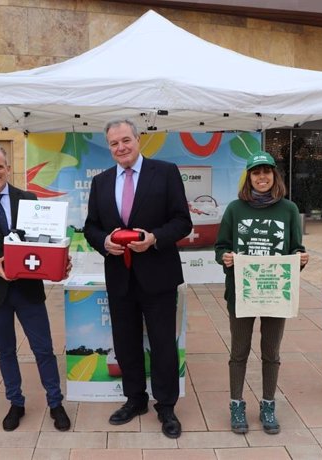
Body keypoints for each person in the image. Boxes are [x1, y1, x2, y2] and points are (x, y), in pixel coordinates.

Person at [83, 119, 192, 439]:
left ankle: (166, 406)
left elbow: (182, 222)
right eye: (114, 143)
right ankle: (135, 399)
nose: (121, 147)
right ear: (109, 147)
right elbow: (91, 227)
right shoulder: (101, 182)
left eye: (126, 140)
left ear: (138, 139)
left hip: (158, 276)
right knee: (126, 343)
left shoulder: (166, 172)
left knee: (162, 345)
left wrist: (154, 237)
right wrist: (104, 241)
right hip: (120, 277)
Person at [0, 144, 71, 432]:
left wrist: (59, 262)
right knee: (5, 351)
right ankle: (16, 402)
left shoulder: (29, 200)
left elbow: (43, 241)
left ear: (8, 168)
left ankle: (55, 403)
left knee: (43, 349)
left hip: (28, 290)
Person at [214, 152, 309, 435]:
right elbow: (220, 247)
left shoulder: (289, 209)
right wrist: (226, 258)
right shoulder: (234, 209)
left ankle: (268, 403)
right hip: (242, 292)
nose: (262, 177)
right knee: (239, 351)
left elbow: (295, 247)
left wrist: (300, 257)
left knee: (271, 352)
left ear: (275, 176)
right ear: (249, 177)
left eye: (267, 171)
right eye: (256, 173)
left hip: (275, 293)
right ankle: (236, 404)